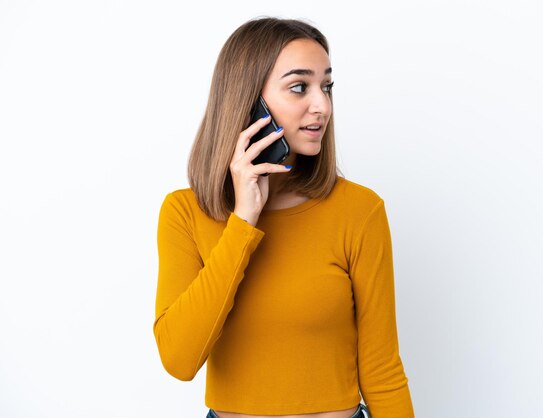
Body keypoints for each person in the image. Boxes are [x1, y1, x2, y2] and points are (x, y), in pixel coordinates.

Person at [153, 17, 414, 418]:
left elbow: (382, 369)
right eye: (299, 87)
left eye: (326, 86)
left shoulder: (359, 211)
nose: (322, 105)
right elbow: (179, 359)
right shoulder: (185, 213)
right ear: (247, 101)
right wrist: (243, 221)